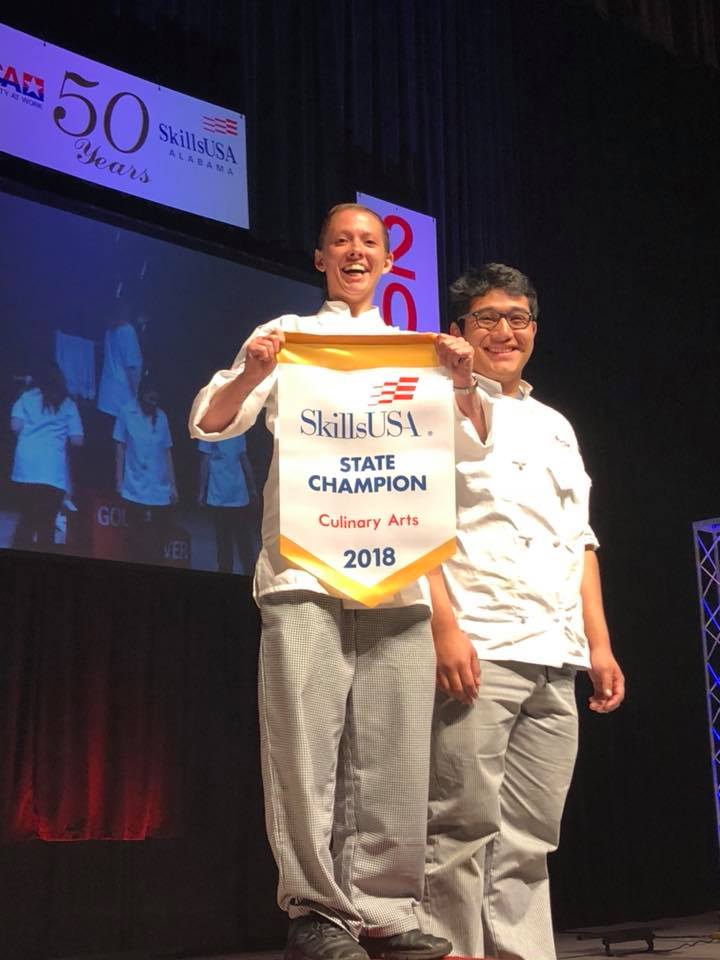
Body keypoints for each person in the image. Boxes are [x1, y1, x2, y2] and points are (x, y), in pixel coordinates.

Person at [189, 204, 452, 960]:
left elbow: (458, 455)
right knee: (304, 750)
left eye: (369, 242)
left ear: (390, 261)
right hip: (305, 567)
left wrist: (461, 381)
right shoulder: (288, 334)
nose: (356, 251)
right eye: (341, 241)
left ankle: (383, 907)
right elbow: (210, 420)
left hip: (400, 573)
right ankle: (315, 910)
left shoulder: (419, 352)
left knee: (394, 752)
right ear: (320, 258)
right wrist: (254, 372)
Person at [421, 263, 625, 960]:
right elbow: (417, 525)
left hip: (556, 652)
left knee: (531, 838)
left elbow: (581, 541)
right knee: (458, 829)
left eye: (517, 318)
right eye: (487, 318)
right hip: (481, 644)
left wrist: (599, 645)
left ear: (533, 329)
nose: (504, 332)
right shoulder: (435, 406)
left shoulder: (556, 424)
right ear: (459, 329)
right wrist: (444, 628)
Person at [10, 362, 84, 550]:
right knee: (47, 525)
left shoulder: (25, 397)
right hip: (52, 471)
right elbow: (77, 440)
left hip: (26, 468)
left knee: (26, 519)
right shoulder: (68, 404)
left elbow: (15, 427)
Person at [114, 382, 178, 562]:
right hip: (134, 486)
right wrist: (119, 481)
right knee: (135, 541)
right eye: (150, 397)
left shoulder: (162, 417)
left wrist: (173, 486)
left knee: (158, 542)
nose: (153, 401)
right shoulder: (126, 412)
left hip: (159, 488)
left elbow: (167, 452)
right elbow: (120, 448)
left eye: (156, 398)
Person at [196, 434, 259, 573]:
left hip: (232, 495)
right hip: (225, 495)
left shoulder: (235, 430)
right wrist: (252, 487)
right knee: (237, 542)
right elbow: (206, 461)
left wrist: (252, 487)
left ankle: (247, 573)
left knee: (231, 542)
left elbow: (242, 458)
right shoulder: (213, 430)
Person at [97, 299, 143, 418]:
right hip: (123, 396)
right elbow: (132, 366)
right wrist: (136, 393)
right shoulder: (128, 331)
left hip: (106, 395)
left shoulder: (109, 332)